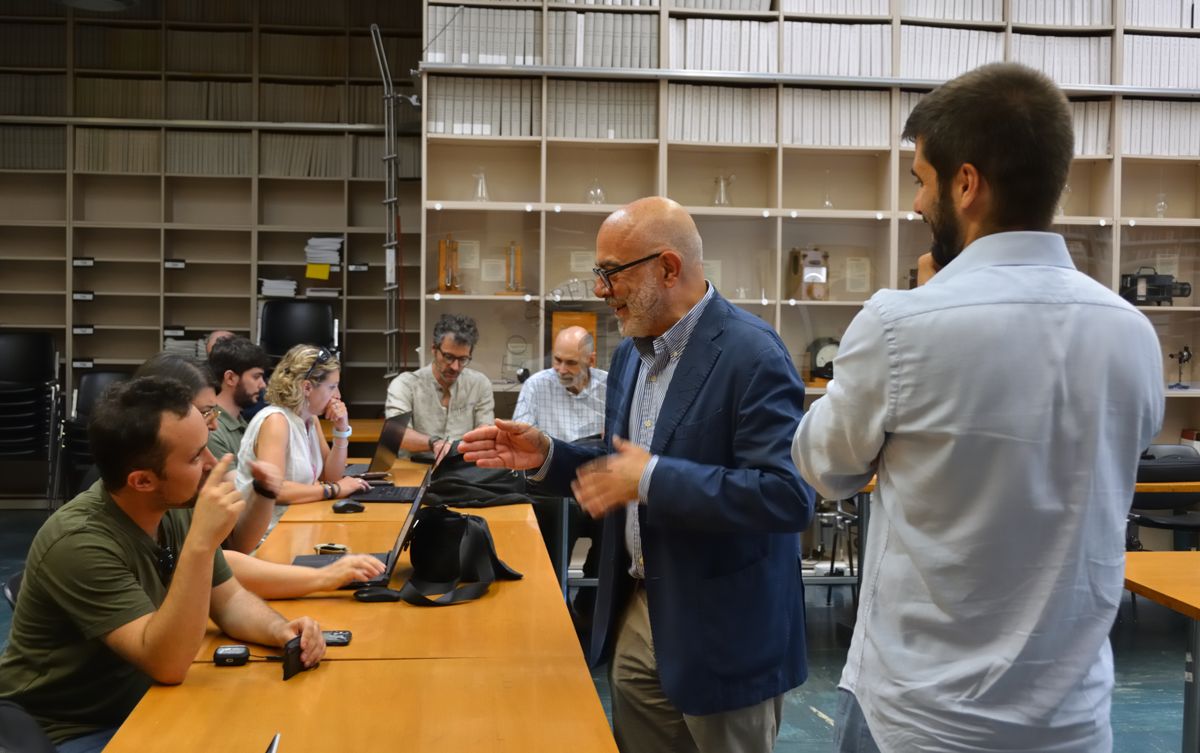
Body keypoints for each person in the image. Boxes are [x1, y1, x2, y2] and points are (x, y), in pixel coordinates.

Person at [791, 63, 1164, 753]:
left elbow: (823, 468)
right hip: (1073, 723)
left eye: (920, 180)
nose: (915, 204)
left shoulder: (900, 326)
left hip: (919, 719)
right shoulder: (1133, 335)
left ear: (966, 184)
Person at [460, 196, 814, 753]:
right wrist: (549, 454)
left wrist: (652, 479)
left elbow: (787, 495)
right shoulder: (631, 354)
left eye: (609, 273)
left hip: (723, 633)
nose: (600, 291)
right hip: (637, 614)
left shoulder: (751, 353)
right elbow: (622, 460)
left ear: (668, 268)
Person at [0, 378, 327, 752]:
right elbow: (167, 664)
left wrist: (282, 631)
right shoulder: (78, 542)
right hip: (68, 730)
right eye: (193, 458)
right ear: (142, 481)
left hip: (142, 700)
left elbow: (231, 601)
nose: (212, 463)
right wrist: (202, 544)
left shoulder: (173, 506)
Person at [135, 353, 385, 594]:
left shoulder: (180, 500)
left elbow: (226, 564)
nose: (214, 424)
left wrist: (341, 432)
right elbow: (223, 567)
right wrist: (325, 576)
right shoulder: (276, 420)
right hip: (272, 534)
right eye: (206, 412)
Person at [235, 344, 370, 529]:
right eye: (332, 387)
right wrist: (335, 490)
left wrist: (341, 430)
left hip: (296, 522)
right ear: (307, 387)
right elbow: (275, 489)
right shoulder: (276, 421)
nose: (337, 396)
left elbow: (331, 476)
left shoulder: (310, 419)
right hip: (267, 535)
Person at [384, 313, 494, 454]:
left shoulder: (480, 384)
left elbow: (485, 429)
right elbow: (398, 434)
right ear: (434, 349)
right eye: (449, 357)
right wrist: (435, 443)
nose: (455, 367)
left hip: (462, 466)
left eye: (463, 359)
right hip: (416, 468)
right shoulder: (404, 385)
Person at [513, 325, 607, 443]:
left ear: (591, 360)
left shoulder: (609, 387)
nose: (562, 370)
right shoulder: (535, 386)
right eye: (557, 360)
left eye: (571, 363)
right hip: (551, 460)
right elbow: (520, 439)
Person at [206, 335, 269, 463]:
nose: (263, 385)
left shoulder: (242, 423)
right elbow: (235, 482)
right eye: (256, 377)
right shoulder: (213, 430)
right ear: (230, 378)